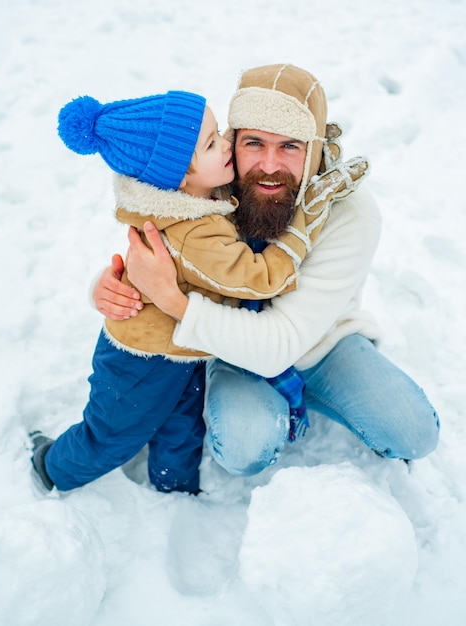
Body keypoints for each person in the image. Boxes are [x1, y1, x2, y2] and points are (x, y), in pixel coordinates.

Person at [94, 63, 440, 478]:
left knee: (414, 433)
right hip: (229, 342)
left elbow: (282, 342)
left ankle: (322, 393)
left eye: (290, 146)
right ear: (232, 139)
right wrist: (109, 285)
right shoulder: (213, 180)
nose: (269, 165)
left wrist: (173, 301)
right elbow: (157, 248)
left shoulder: (349, 211)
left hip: (321, 339)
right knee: (244, 447)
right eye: (254, 142)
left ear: (312, 148)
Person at [30, 86, 365, 494]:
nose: (226, 142)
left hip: (181, 348)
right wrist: (302, 227)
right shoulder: (197, 233)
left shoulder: (197, 200)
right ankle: (53, 466)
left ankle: (175, 486)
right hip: (139, 359)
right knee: (114, 433)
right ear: (182, 175)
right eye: (212, 142)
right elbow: (260, 277)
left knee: (182, 423)